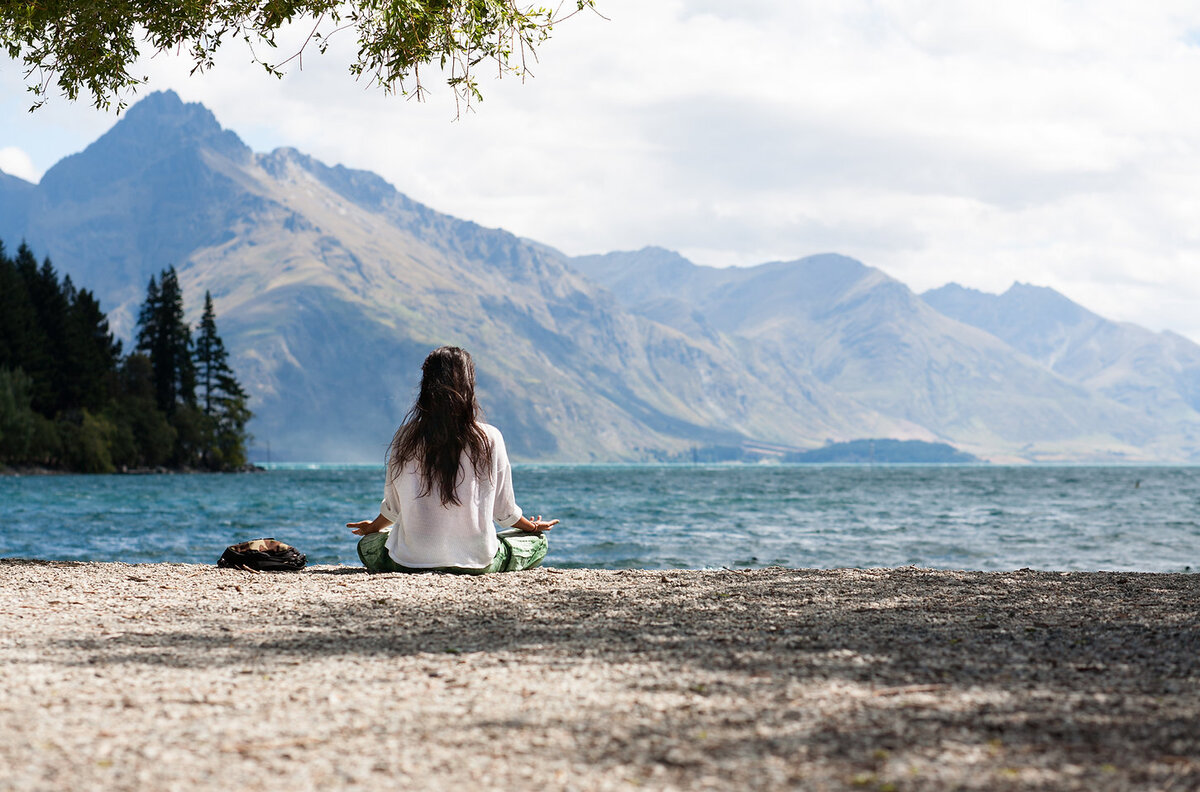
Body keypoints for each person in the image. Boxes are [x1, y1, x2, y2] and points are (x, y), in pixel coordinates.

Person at [347, 346, 557, 573]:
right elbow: (504, 512)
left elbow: (393, 507)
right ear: (469, 386)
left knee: (369, 544)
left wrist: (373, 528)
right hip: (478, 563)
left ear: (425, 386)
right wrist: (533, 526)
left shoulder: (406, 436)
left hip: (408, 563)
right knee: (537, 543)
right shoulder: (490, 438)